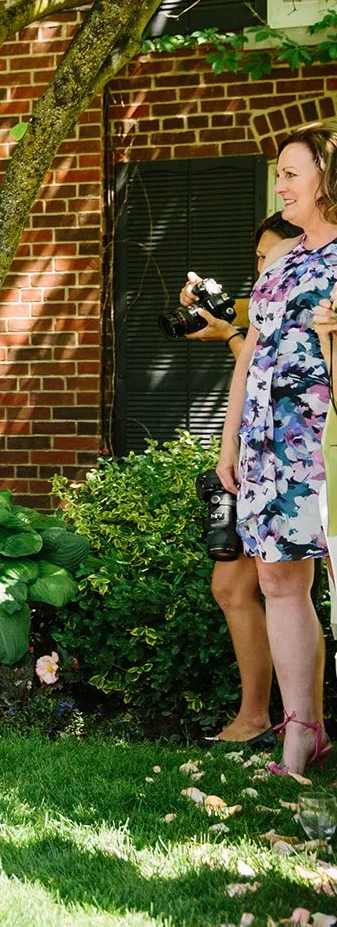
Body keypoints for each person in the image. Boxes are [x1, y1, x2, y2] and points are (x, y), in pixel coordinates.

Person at [220, 125, 337, 777]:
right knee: (276, 579)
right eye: (279, 174)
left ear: (326, 176)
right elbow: (252, 354)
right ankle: (302, 733)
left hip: (323, 441)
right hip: (266, 443)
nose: (281, 186)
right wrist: (231, 438)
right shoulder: (282, 257)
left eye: (292, 173)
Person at [181, 214, 299, 745]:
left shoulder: (310, 295)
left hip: (286, 459)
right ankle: (260, 717)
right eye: (257, 258)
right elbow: (240, 319)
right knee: (232, 586)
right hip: (251, 459)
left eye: (267, 256)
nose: (261, 267)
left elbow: (266, 374)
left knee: (282, 591)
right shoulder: (268, 297)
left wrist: (229, 332)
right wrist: (208, 309)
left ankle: (289, 722)